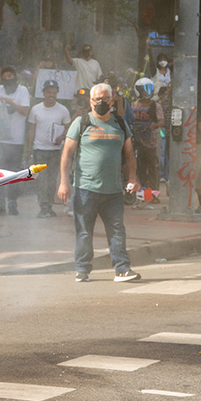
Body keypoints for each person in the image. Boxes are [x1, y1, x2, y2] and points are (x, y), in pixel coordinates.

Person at [57, 82, 140, 283]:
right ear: (90, 101)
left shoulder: (120, 124)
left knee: (117, 230)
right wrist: (64, 182)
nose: (100, 103)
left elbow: (129, 154)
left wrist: (132, 178)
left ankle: (122, 269)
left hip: (113, 190)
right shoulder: (81, 122)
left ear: (111, 100)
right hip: (85, 189)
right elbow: (67, 154)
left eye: (104, 99)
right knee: (84, 231)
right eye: (96, 99)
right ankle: (82, 270)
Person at [0, 66, 30, 216]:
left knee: (13, 174)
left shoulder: (22, 91)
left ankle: (12, 204)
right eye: (5, 76)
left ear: (15, 78)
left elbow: (25, 111)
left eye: (10, 75)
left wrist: (9, 102)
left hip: (16, 142)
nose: (8, 78)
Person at [25, 79, 69, 217]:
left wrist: (62, 136)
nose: (51, 95)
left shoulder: (63, 110)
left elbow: (69, 128)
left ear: (57, 94)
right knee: (42, 180)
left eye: (54, 93)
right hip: (40, 150)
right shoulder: (36, 109)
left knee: (52, 180)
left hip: (55, 151)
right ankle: (43, 207)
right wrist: (28, 149)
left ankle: (49, 206)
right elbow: (31, 130)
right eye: (49, 92)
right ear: (43, 93)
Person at [128, 77, 162, 205]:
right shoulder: (134, 105)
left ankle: (154, 195)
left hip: (150, 142)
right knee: (140, 170)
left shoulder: (155, 105)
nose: (146, 93)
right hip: (137, 141)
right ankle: (144, 195)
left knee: (153, 169)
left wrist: (152, 126)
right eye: (144, 90)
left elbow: (161, 121)